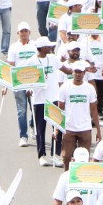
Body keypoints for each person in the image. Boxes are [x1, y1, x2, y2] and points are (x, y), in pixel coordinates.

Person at [57, 61, 101, 169]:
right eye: (76, 72)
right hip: (69, 127)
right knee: (66, 156)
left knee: (84, 158)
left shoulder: (90, 88)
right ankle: (67, 177)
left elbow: (94, 110)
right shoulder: (64, 87)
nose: (78, 74)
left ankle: (81, 182)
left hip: (85, 127)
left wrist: (98, 131)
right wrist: (56, 129)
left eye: (80, 72)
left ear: (84, 73)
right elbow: (60, 109)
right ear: (72, 72)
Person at [30, 38, 64, 166]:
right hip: (39, 100)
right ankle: (42, 155)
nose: (50, 47)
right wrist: (28, 89)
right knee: (40, 128)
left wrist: (80, 70)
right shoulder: (31, 61)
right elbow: (24, 79)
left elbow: (65, 69)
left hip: (54, 98)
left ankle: (56, 155)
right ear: (41, 48)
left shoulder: (53, 58)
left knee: (57, 127)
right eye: (47, 46)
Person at [6, 23, 39, 147]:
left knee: (35, 108)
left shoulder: (35, 45)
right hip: (19, 83)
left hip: (33, 81)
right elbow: (10, 66)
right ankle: (23, 136)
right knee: (21, 111)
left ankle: (32, 125)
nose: (24, 33)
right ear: (18, 33)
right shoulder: (13, 47)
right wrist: (6, 85)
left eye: (26, 31)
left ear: (29, 32)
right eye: (22, 31)